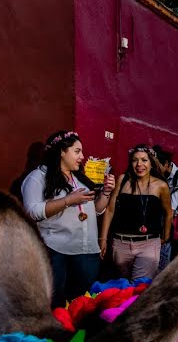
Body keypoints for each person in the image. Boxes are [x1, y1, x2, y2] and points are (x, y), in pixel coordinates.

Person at [22, 130, 116, 308]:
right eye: (77, 151)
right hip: (57, 252)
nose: (82, 156)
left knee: (82, 305)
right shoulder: (37, 178)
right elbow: (32, 211)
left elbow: (96, 210)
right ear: (61, 152)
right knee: (56, 306)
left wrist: (106, 192)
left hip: (87, 253)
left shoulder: (79, 178)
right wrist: (68, 201)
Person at [100, 144, 172, 280]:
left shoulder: (161, 186)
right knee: (121, 287)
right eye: (135, 160)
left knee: (139, 287)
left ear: (151, 163)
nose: (139, 164)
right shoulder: (123, 180)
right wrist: (103, 238)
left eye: (144, 160)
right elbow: (110, 210)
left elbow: (168, 212)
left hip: (148, 244)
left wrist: (165, 236)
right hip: (120, 244)